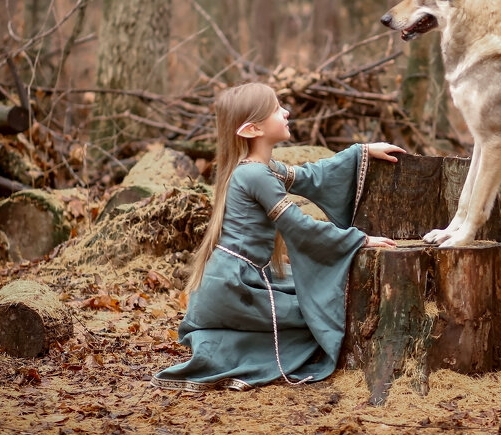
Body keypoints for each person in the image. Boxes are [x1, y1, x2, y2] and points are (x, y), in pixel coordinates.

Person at [152, 82, 405, 391]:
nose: (286, 112)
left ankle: (228, 348)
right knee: (318, 315)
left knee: (317, 303)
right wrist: (359, 239)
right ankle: (227, 356)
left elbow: (311, 176)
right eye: (275, 109)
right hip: (237, 285)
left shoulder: (261, 168)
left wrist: (360, 153)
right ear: (251, 130)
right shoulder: (254, 174)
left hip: (242, 279)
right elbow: (299, 226)